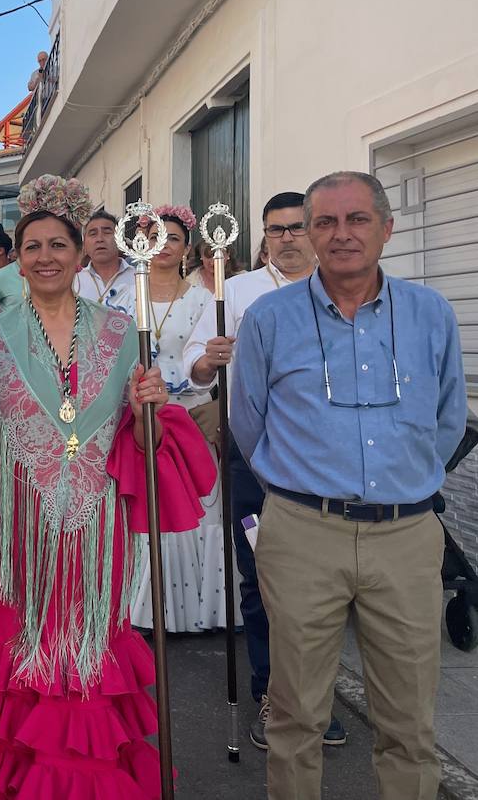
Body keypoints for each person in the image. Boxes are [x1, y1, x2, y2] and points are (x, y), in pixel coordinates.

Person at [0, 177, 215, 799]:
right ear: (16, 256)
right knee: (20, 651)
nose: (45, 257)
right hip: (18, 530)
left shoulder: (122, 334)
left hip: (98, 529)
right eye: (31, 246)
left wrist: (151, 409)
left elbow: (136, 443)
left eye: (58, 244)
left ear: (80, 253)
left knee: (93, 652)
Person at [231, 172, 465, 800]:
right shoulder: (268, 318)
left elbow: (447, 420)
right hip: (303, 534)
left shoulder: (431, 313)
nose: (342, 235)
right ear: (308, 234)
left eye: (357, 219)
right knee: (297, 716)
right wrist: (304, 489)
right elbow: (247, 423)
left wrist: (402, 485)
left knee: (408, 723)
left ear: (386, 228)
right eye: (325, 222)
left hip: (408, 536)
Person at [181, 190, 346, 750]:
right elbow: (194, 366)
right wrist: (210, 358)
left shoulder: (343, 285)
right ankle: (271, 694)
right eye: (276, 230)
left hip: (332, 457)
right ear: (264, 236)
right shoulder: (235, 291)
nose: (288, 238)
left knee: (328, 582)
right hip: (257, 455)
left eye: (298, 227)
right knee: (261, 577)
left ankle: (318, 699)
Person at [124, 206, 230, 633]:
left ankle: (204, 609)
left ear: (187, 247)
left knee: (201, 510)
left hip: (189, 416)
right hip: (142, 415)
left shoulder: (204, 299)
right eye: (156, 237)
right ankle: (147, 609)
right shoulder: (123, 294)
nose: (164, 246)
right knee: (150, 506)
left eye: (173, 238)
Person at [75, 208, 136, 313]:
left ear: (120, 239)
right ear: (84, 244)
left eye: (107, 232)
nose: (100, 239)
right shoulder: (74, 282)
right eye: (93, 234)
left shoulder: (137, 278)